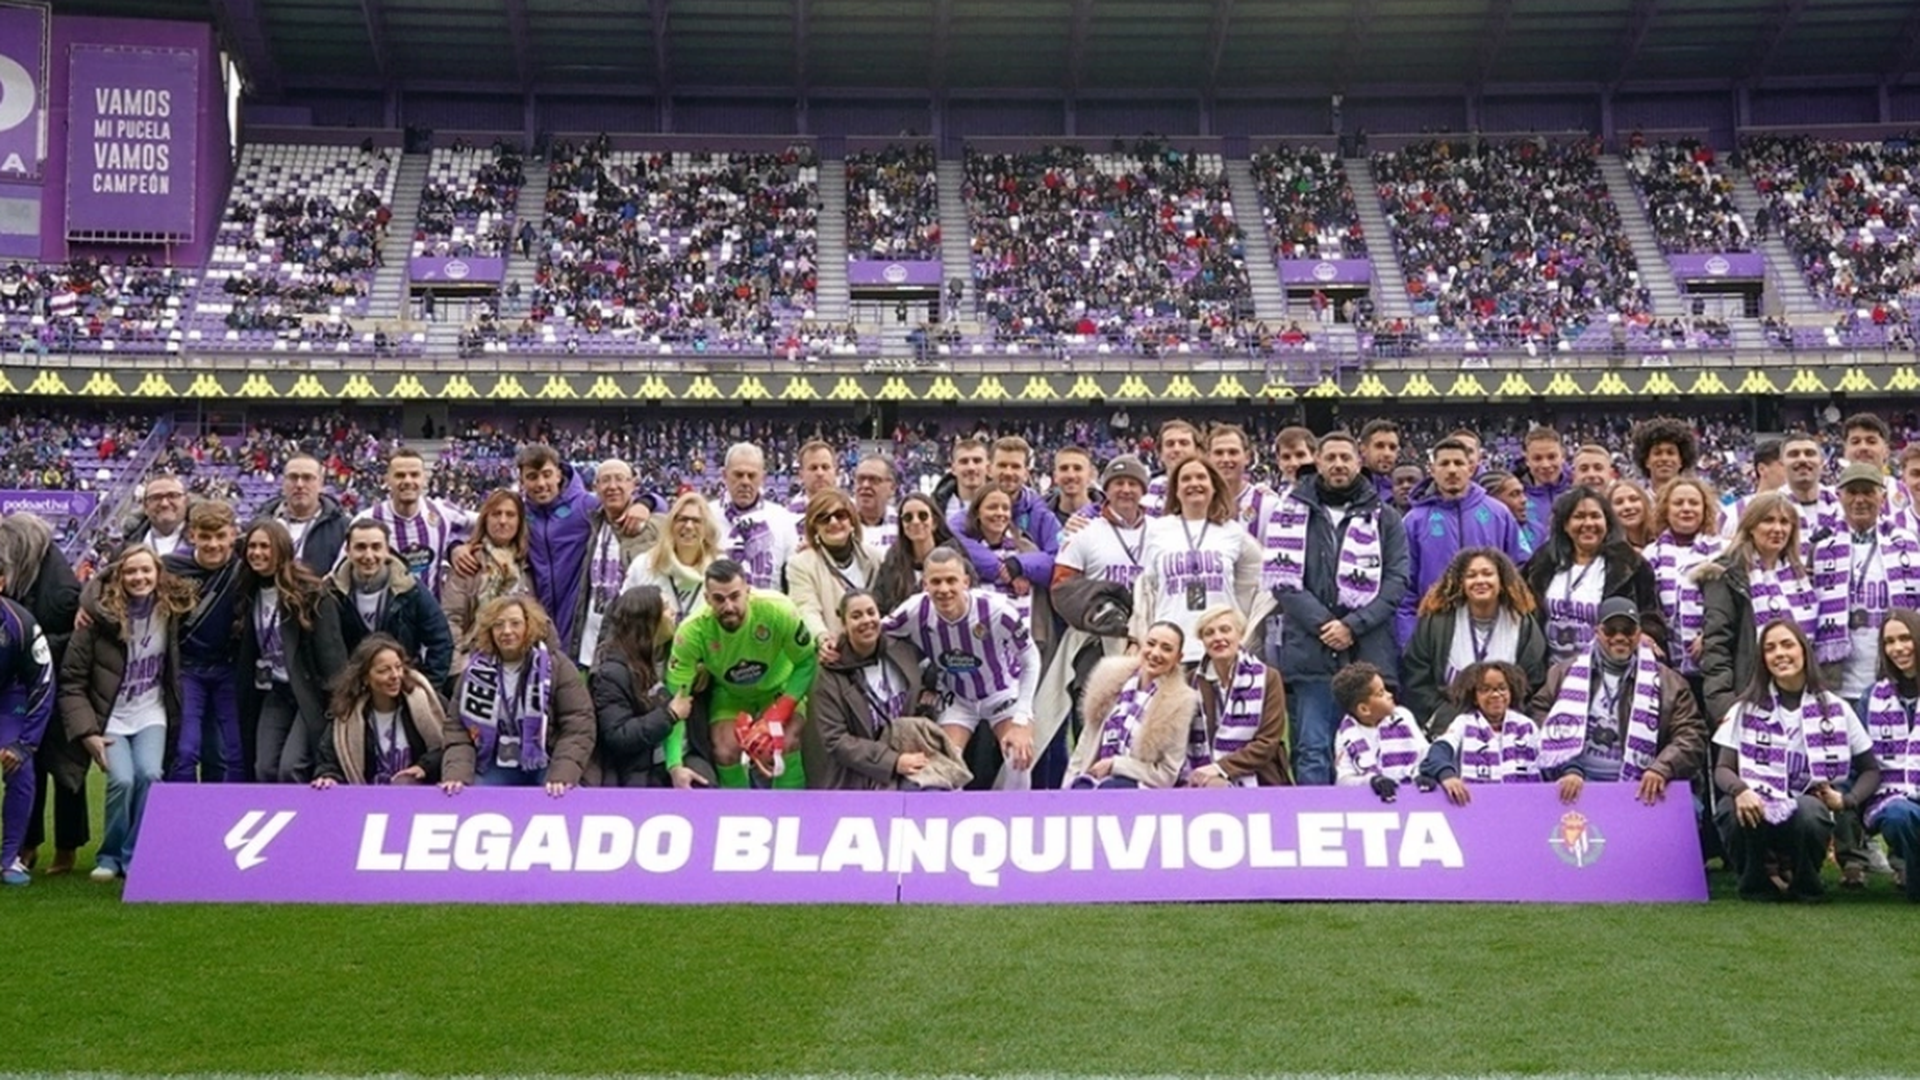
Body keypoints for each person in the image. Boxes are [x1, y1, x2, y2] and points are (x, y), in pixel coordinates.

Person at [1267, 431, 1410, 784]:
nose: (1338, 464)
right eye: (1330, 458)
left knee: (1373, 750)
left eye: (1346, 458)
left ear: (1359, 462)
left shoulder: (1385, 517)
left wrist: (1353, 626)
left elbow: (1396, 580)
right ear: (1317, 461)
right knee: (1313, 749)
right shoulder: (1290, 513)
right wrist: (1326, 625)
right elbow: (1283, 582)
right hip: (1311, 651)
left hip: (1367, 651)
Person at [1713, 619, 1880, 902]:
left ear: (1804, 650)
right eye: (1770, 648)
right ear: (1763, 659)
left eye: (1787, 645)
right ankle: (1756, 884)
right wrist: (1740, 790)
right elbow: (1723, 769)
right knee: (1729, 807)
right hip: (1758, 811)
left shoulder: (1835, 708)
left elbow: (1871, 770)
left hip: (1804, 816)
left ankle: (1806, 884)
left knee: (1809, 810)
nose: (1779, 653)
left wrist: (1846, 801)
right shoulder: (1745, 707)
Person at [57, 547, 190, 881]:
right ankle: (110, 855)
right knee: (122, 780)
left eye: (146, 570)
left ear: (158, 573)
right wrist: (87, 732)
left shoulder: (171, 611)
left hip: (151, 711)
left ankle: (136, 855)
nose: (139, 577)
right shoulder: (95, 620)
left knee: (150, 774)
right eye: (130, 571)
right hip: (112, 715)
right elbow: (71, 682)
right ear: (118, 576)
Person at [883, 547, 1038, 789]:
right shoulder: (915, 610)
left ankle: (1016, 810)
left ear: (965, 582)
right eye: (936, 582)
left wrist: (1022, 718)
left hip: (1001, 693)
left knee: (1018, 756)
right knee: (946, 765)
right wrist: (835, 645)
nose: (944, 589)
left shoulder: (997, 610)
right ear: (925, 584)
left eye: (951, 580)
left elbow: (1031, 659)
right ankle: (956, 811)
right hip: (958, 698)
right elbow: (874, 632)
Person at [1532, 597, 1708, 804]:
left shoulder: (1670, 682)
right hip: (1577, 780)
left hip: (1644, 783)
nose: (1619, 637)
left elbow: (1691, 734)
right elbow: (1538, 715)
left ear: (1639, 633)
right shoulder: (1563, 674)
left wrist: (1662, 768)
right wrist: (1568, 767)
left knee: (1689, 807)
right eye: (1611, 630)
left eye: (1627, 630)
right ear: (1597, 632)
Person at [665, 560, 818, 789]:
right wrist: (674, 764)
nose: (728, 606)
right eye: (719, 599)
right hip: (731, 695)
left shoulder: (778, 609)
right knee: (725, 750)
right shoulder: (691, 632)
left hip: (779, 689)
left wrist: (778, 714)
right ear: (707, 598)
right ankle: (737, 807)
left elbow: (806, 661)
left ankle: (792, 807)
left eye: (735, 596)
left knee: (785, 741)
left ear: (748, 591)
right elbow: (676, 701)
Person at [812, 589, 964, 791]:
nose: (866, 620)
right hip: (861, 773)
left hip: (912, 754)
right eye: (856, 616)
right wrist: (893, 762)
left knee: (940, 791)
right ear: (844, 624)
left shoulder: (901, 650)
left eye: (871, 612)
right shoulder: (830, 674)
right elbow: (835, 740)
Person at [443, 596, 595, 794]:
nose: (507, 631)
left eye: (515, 623)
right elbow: (457, 728)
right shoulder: (473, 672)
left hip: (547, 760)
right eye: (498, 625)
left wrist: (562, 775)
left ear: (529, 626)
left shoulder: (557, 666)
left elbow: (578, 725)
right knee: (468, 797)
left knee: (562, 798)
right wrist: (457, 774)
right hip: (495, 763)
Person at [235, 519, 348, 784]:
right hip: (275, 691)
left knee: (291, 767)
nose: (257, 553)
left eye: (265, 546)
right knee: (264, 767)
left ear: (282, 549)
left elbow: (332, 656)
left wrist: (338, 703)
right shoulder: (247, 589)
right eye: (252, 546)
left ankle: (303, 812)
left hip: (309, 692)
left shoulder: (311, 594)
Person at [1698, 493, 1824, 724]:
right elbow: (1716, 646)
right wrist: (1723, 705)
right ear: (1750, 526)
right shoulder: (1727, 574)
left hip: (1799, 698)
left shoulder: (1801, 577)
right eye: (1768, 520)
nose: (1778, 529)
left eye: (1785, 522)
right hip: (1746, 696)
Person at [0, 514, 80, 876]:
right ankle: (26, 847)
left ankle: (49, 850)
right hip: (25, 684)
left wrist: (24, 742)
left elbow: (45, 671)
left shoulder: (57, 593)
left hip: (48, 689)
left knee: (54, 768)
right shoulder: (26, 581)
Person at [1395, 436, 1525, 647]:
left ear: (1471, 468)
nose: (1452, 470)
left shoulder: (1498, 513)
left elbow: (1517, 573)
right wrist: (1410, 641)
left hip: (1493, 630)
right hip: (1436, 632)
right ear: (1432, 470)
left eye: (1458, 463)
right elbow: (1404, 588)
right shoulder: (1413, 521)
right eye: (1444, 464)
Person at [1402, 547, 1547, 735]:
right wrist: (1445, 716)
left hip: (1506, 725)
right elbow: (1416, 676)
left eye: (1487, 574)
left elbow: (1534, 680)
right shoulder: (1436, 622)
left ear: (1501, 580)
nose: (1480, 581)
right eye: (1471, 576)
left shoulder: (1523, 623)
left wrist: (1502, 717)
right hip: (1447, 724)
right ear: (1461, 582)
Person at [1131, 456, 1261, 664]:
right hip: (1170, 648)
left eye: (1201, 477)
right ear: (1176, 490)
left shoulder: (1233, 531)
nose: (1194, 483)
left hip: (1220, 647)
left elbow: (1257, 576)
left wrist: (1241, 615)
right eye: (1186, 479)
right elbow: (1149, 588)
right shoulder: (1157, 530)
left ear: (1214, 487)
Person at [1523, 486, 1665, 668]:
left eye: (1595, 516)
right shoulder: (1543, 562)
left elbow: (1650, 614)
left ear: (1607, 522)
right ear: (1565, 525)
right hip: (1551, 672)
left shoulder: (1631, 565)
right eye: (1579, 516)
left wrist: (1647, 634)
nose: (1588, 523)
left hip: (1607, 669)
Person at [163, 501, 246, 782]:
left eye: (220, 536)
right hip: (188, 670)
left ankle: (229, 807)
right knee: (185, 750)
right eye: (205, 536)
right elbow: (115, 575)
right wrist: (85, 607)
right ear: (192, 535)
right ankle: (184, 808)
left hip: (229, 669)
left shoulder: (245, 567)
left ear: (233, 534)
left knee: (233, 751)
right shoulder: (170, 566)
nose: (213, 544)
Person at [311, 634, 457, 787]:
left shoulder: (428, 702)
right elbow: (329, 761)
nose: (395, 676)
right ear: (365, 677)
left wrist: (424, 767)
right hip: (368, 798)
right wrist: (329, 777)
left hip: (417, 794)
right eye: (384, 670)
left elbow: (452, 746)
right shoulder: (346, 715)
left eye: (398, 667)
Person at [328, 519, 454, 694]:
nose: (369, 556)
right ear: (348, 550)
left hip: (400, 684)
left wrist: (425, 687)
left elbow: (441, 640)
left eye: (376, 547)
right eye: (360, 547)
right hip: (352, 689)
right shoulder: (331, 592)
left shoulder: (410, 589)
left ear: (387, 550)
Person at [1065, 622, 1196, 789]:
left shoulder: (1181, 701)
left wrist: (1116, 765)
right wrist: (1068, 786)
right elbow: (1083, 748)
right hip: (1093, 781)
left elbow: (1167, 774)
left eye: (1166, 648)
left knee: (1112, 788)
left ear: (1178, 657)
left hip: (1140, 790)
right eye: (1151, 644)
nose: (1155, 653)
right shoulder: (1110, 679)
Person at [1829, 462, 1920, 703]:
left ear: (1883, 497)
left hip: (1896, 676)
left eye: (1868, 492)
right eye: (1852, 492)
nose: (1860, 500)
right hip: (1840, 684)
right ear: (1839, 497)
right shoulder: (1822, 549)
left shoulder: (1907, 544)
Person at [1186, 606, 1290, 786]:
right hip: (1202, 772)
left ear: (1240, 634)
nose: (1218, 638)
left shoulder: (1268, 677)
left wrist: (1221, 767)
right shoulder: (1191, 681)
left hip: (1258, 775)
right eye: (1209, 633)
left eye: (1225, 630)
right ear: (1202, 641)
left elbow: (1267, 742)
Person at [570, 459, 658, 668]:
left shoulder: (653, 526)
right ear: (596, 487)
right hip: (589, 640)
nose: (612, 486)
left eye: (620, 479)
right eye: (605, 480)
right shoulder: (591, 523)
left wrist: (646, 503)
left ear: (633, 485)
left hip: (631, 640)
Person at [1645, 476, 1725, 703]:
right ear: (1666, 509)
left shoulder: (1724, 552)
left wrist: (1711, 634)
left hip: (1713, 664)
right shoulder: (1650, 555)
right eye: (1678, 503)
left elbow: (1735, 605)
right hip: (1667, 664)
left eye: (1694, 503)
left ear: (1705, 509)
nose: (1686, 509)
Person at [590, 586, 677, 788]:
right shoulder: (612, 672)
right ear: (648, 620)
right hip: (636, 777)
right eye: (665, 608)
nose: (673, 612)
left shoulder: (678, 654)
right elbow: (618, 734)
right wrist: (670, 715)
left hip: (674, 763)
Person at [1860, 609, 1920, 900]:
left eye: (1906, 638)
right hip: (1893, 797)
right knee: (1899, 814)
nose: (1898, 648)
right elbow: (1860, 760)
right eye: (1889, 642)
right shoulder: (1871, 696)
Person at [1419, 661, 1542, 800]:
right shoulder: (1463, 723)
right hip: (1475, 805)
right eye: (1485, 689)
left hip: (1524, 804)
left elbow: (1547, 760)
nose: (1495, 694)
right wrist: (1447, 775)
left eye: (1502, 688)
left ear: (1511, 692)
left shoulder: (1527, 725)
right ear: (1475, 698)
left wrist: (1565, 774)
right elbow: (1439, 750)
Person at [787, 489, 884, 658]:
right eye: (823, 518)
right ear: (814, 527)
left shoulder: (874, 558)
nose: (833, 522)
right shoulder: (800, 564)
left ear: (852, 521)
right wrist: (822, 638)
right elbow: (806, 608)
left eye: (840, 515)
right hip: (835, 655)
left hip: (876, 650)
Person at [365, 449, 473, 599]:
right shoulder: (367, 521)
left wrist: (458, 546)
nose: (408, 481)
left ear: (424, 479)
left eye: (414, 475)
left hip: (431, 611)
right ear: (387, 479)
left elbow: (487, 521)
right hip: (382, 612)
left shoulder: (442, 512)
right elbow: (340, 575)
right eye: (400, 475)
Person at [0, 590, 53, 886]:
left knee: (20, 767)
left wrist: (25, 743)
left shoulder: (21, 623)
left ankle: (10, 858)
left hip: (8, 700)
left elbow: (43, 683)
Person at [442, 489, 535, 658]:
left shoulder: (528, 563)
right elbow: (451, 620)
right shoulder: (468, 561)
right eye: (496, 514)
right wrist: (458, 666)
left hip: (520, 658)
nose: (503, 521)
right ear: (485, 519)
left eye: (510, 515)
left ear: (520, 521)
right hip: (474, 655)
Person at [956, 486, 1053, 640]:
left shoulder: (1026, 548)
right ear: (977, 513)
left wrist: (1020, 569)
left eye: (1005, 508)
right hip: (976, 638)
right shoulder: (963, 555)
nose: (1000, 513)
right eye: (992, 507)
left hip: (1025, 639)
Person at [708, 442, 798, 592]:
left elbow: (795, 577)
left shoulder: (782, 519)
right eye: (738, 475)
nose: (745, 482)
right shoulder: (707, 517)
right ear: (724, 475)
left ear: (763, 478)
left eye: (752, 476)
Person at [1330, 661, 1428, 798]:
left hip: (1413, 797)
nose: (1390, 695)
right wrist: (1372, 781)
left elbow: (1424, 753)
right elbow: (1343, 781)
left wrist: (1420, 774)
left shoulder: (1403, 717)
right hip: (1372, 804)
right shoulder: (1346, 736)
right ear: (1364, 709)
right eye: (1381, 693)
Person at [625, 492, 721, 622]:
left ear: (707, 527)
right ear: (671, 524)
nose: (689, 526)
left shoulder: (720, 568)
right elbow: (624, 616)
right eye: (682, 519)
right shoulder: (643, 565)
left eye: (696, 521)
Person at [256, 454, 351, 575]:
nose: (299, 485)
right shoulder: (262, 524)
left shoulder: (342, 528)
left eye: (307, 478)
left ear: (320, 483)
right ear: (283, 483)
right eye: (293, 477)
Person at [871, 493, 962, 615]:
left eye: (923, 516)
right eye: (908, 517)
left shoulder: (955, 557)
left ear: (934, 522)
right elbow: (879, 604)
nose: (915, 521)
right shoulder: (893, 560)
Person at [1519, 426, 1570, 552]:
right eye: (1537, 458)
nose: (1545, 465)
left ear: (1563, 456)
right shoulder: (1517, 497)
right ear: (1527, 460)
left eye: (1552, 457)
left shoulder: (1576, 492)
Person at [117, 476, 189, 558]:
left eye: (172, 495)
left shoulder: (200, 543)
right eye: (156, 498)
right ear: (145, 506)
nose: (164, 504)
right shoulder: (125, 549)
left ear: (186, 501)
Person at [1142, 419, 1200, 516]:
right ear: (1160, 453)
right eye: (1170, 444)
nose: (1176, 449)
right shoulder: (1146, 489)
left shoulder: (1211, 488)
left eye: (1184, 443)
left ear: (1197, 451)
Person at [1630, 417, 1699, 491]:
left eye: (1670, 453)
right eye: (1657, 453)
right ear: (1646, 461)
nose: (1664, 458)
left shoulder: (1693, 497)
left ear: (1681, 461)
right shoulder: (1637, 498)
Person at [932, 436, 991, 520]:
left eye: (977, 461)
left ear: (988, 468)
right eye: (964, 462)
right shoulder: (935, 508)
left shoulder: (1005, 503)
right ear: (953, 469)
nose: (971, 468)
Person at [850, 454, 900, 549]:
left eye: (874, 480)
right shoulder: (839, 521)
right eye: (860, 479)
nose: (865, 485)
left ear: (892, 488)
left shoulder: (902, 526)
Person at [785, 439, 840, 515]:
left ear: (835, 472)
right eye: (813, 468)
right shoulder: (789, 515)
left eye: (825, 467)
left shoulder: (850, 511)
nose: (820, 473)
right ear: (801, 475)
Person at [1359, 419, 1401, 504]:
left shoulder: (1404, 492)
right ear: (1363, 449)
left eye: (1392, 447)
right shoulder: (1349, 488)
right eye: (1379, 446)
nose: (1387, 453)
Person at [1608, 480, 1656, 551]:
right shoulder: (1609, 549)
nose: (1627, 506)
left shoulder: (1662, 538)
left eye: (1633, 499)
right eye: (1619, 502)